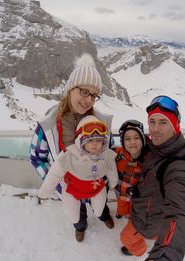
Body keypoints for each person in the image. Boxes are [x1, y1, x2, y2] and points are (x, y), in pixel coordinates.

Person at [30, 53, 114, 242]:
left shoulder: (102, 122)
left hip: (95, 182)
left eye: (94, 95)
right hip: (70, 187)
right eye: (84, 91)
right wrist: (59, 182)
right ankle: (80, 227)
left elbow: (110, 152)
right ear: (70, 89)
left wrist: (103, 176)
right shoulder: (49, 124)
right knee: (77, 213)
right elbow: (36, 157)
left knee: (100, 205)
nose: (88, 100)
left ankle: (103, 215)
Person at [120, 95, 185, 261]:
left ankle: (138, 251)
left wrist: (162, 258)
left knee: (126, 238)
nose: (155, 129)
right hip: (145, 210)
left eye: (163, 122)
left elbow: (179, 212)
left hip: (148, 222)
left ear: (175, 126)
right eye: (152, 122)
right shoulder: (157, 147)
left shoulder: (178, 167)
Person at [37, 116, 118, 234]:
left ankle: (103, 216)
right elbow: (54, 174)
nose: (95, 144)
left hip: (96, 188)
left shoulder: (106, 155)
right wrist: (44, 192)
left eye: (98, 140)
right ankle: (80, 227)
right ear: (81, 140)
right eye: (90, 140)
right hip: (73, 190)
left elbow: (111, 169)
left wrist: (113, 182)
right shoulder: (69, 155)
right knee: (73, 215)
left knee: (100, 209)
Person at [114, 120, 149, 218]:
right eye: (128, 139)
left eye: (136, 138)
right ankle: (120, 212)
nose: (132, 142)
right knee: (121, 204)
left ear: (143, 139)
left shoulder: (148, 160)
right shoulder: (117, 153)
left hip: (135, 195)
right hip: (120, 190)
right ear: (123, 142)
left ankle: (129, 215)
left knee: (132, 208)